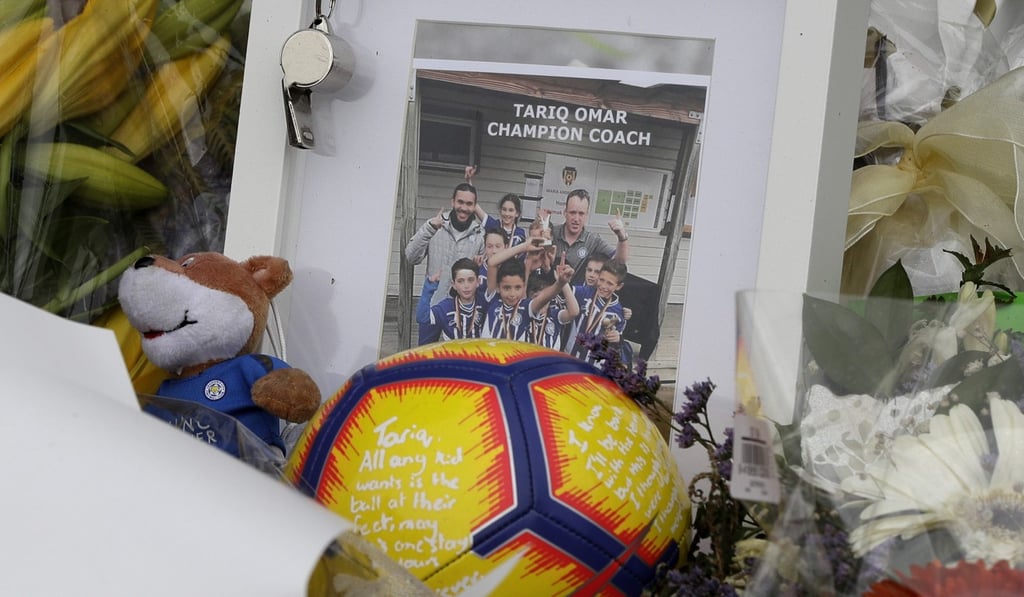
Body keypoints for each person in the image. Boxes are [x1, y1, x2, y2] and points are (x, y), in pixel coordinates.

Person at [404, 182, 485, 306]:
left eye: (469, 204)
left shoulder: (480, 235)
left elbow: (481, 278)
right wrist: (429, 228)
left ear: (474, 206)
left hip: (461, 311)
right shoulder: (435, 226)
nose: (463, 208)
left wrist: (478, 267)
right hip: (432, 306)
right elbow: (411, 257)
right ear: (452, 202)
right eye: (460, 202)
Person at [481, 239, 573, 341]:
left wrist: (560, 283)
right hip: (489, 356)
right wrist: (524, 247)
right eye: (507, 288)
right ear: (498, 287)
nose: (512, 294)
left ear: (524, 286)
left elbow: (544, 297)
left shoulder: (526, 307)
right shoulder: (493, 299)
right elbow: (492, 262)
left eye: (517, 288)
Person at [549, 189, 629, 285]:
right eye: (572, 212)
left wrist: (622, 237)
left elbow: (620, 262)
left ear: (587, 215)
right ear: (565, 212)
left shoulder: (593, 240)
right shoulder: (551, 233)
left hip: (575, 296)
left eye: (581, 214)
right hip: (548, 293)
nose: (576, 219)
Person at [565, 260, 628, 362]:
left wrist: (618, 338)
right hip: (569, 356)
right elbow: (562, 292)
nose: (603, 286)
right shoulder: (583, 293)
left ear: (619, 286)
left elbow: (614, 343)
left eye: (609, 283)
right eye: (601, 280)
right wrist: (562, 281)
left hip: (593, 365)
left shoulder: (619, 313)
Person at [415, 258, 486, 345]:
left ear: (478, 282)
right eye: (460, 281)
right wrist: (428, 289)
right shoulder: (445, 307)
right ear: (454, 285)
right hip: (453, 356)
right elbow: (422, 318)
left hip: (479, 356)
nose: (466, 286)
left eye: (470, 280)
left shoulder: (484, 302)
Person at [525, 266, 580, 349]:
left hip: (551, 361)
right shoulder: (523, 313)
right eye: (535, 296)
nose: (541, 301)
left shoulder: (554, 315)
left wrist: (563, 283)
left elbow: (574, 312)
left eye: (545, 296)